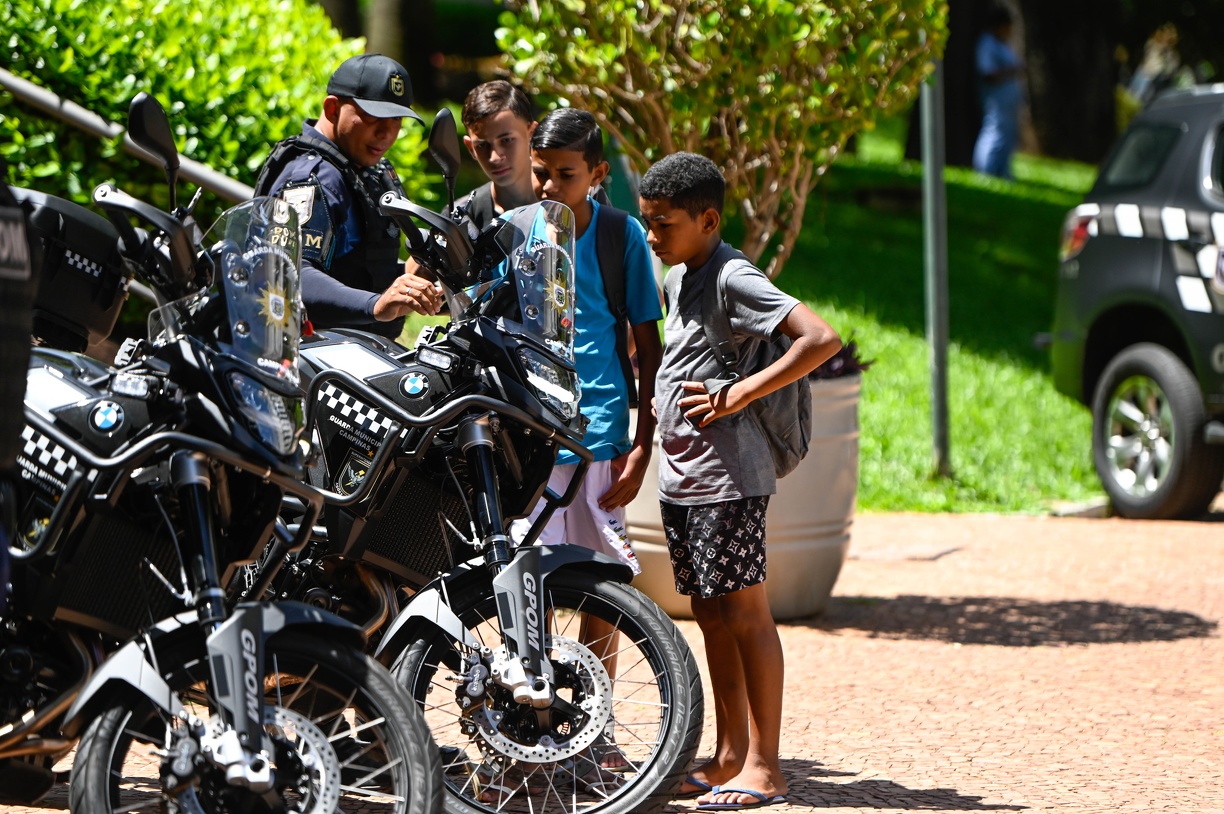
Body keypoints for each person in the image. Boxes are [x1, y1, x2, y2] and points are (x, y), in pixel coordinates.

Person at [637, 152, 841, 810]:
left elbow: (820, 338)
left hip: (729, 479)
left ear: (709, 219)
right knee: (710, 614)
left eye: (662, 224)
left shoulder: (732, 276)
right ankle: (728, 757)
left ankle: (765, 766)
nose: (651, 237)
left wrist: (740, 394)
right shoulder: (679, 278)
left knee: (747, 615)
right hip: (685, 480)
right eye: (645, 223)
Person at [509, 108, 664, 771]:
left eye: (566, 176)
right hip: (529, 439)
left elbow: (649, 350)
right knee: (529, 591)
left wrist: (642, 442)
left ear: (598, 175)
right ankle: (529, 734)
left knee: (602, 589)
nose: (549, 187)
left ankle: (595, 732)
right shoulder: (514, 233)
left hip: (600, 438)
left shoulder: (621, 237)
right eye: (540, 173)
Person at [254, 53, 441, 339]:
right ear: (332, 109)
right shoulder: (311, 178)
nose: (386, 133)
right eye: (373, 117)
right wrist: (376, 304)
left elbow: (359, 267)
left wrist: (417, 286)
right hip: (313, 360)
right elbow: (288, 272)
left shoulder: (366, 168)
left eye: (396, 120)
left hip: (358, 352)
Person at [454, 80, 538, 230]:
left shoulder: (571, 201)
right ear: (470, 147)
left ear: (531, 134)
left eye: (506, 140)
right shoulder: (463, 218)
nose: (494, 157)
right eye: (482, 145)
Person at [972, 4, 1024, 180]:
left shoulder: (1002, 45)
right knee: (993, 135)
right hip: (995, 101)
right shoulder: (987, 44)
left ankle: (1003, 173)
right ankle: (984, 172)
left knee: (1007, 138)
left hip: (1007, 103)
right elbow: (987, 73)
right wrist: (1012, 71)